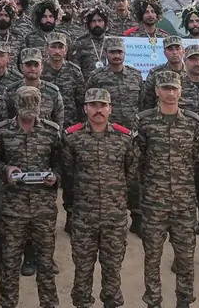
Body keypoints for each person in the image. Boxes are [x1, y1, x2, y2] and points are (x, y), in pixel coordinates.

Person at [62, 87, 135, 308]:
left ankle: (111, 302)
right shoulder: (72, 137)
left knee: (112, 269)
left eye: (103, 105)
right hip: (84, 217)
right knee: (82, 269)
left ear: (110, 108)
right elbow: (68, 174)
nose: (98, 110)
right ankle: (82, 303)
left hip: (114, 217)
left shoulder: (124, 138)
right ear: (85, 108)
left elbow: (131, 173)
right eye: (93, 105)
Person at [136, 70, 199, 308]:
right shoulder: (144, 121)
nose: (170, 93)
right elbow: (139, 159)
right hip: (155, 202)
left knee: (185, 258)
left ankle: (184, 301)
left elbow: (198, 159)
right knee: (152, 257)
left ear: (180, 91)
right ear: (157, 91)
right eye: (165, 88)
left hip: (184, 203)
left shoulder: (192, 123)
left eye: (174, 88)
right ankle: (153, 301)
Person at [0, 85, 61, 308]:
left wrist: (55, 177)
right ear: (17, 105)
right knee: (10, 262)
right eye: (25, 110)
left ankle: (49, 303)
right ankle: (8, 303)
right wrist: (6, 170)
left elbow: (61, 165)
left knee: (45, 262)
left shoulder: (51, 132)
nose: (29, 116)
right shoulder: (2, 131)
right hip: (13, 208)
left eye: (33, 111)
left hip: (43, 208)